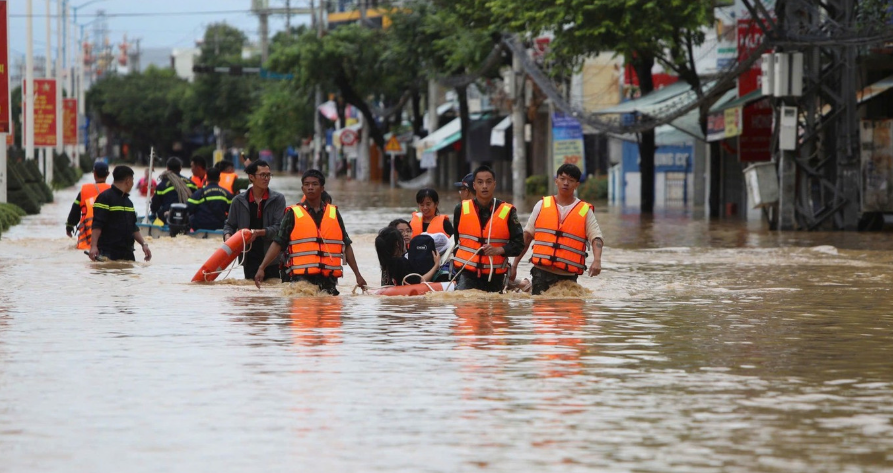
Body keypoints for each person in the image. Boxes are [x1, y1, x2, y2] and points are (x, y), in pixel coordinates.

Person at [253, 169, 367, 295]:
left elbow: (346, 245)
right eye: (307, 185)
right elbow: (278, 243)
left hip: (328, 282)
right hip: (301, 282)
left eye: (314, 184)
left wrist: (358, 275)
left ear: (322, 188)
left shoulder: (334, 213)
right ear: (302, 189)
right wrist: (261, 268)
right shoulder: (293, 214)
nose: (310, 188)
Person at [511, 164, 604, 295]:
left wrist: (597, 260)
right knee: (541, 312)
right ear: (556, 180)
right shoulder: (542, 205)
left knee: (567, 312)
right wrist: (514, 265)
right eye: (562, 178)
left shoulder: (585, 210)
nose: (566, 183)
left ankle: (524, 285)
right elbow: (526, 237)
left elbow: (596, 238)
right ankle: (525, 284)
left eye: (571, 180)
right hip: (541, 273)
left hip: (568, 277)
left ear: (577, 184)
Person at [452, 165, 524, 292]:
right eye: (480, 182)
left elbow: (519, 244)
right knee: (464, 306)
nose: (484, 186)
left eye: (488, 182)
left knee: (495, 309)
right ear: (474, 186)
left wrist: (499, 250)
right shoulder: (461, 209)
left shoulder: (507, 211)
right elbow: (458, 242)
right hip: (467, 273)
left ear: (494, 184)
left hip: (495, 276)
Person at [223, 160, 285, 280]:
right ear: (251, 177)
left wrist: (258, 232)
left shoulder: (278, 199)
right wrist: (228, 237)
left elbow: (279, 228)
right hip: (249, 257)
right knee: (252, 294)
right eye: (262, 175)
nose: (266, 178)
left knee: (272, 291)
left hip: (273, 257)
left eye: (268, 175)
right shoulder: (238, 201)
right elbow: (229, 225)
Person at [88, 165, 152, 262]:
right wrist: (93, 247)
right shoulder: (105, 198)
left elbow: (133, 227)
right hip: (108, 252)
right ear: (127, 181)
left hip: (128, 253)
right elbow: (97, 224)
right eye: (132, 180)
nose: (132, 184)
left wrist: (144, 244)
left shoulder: (128, 202)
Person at [65, 161, 111, 249]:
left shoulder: (84, 191)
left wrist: (69, 227)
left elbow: (74, 211)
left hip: (86, 239)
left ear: (94, 174)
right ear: (108, 174)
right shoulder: (113, 191)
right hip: (108, 238)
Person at [375, 227, 440, 286]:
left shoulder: (386, 262)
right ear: (398, 243)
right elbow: (420, 282)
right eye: (402, 239)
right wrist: (436, 265)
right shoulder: (400, 261)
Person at [150, 157, 197, 224]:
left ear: (167, 168)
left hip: (167, 219)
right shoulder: (192, 184)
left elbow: (154, 207)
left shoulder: (162, 186)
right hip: (187, 218)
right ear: (180, 168)